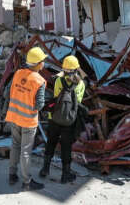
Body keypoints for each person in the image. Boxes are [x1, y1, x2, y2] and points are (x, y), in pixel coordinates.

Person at [4, 47, 47, 191]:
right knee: (26, 151)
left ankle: (12, 175)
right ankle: (27, 182)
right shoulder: (39, 81)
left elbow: (7, 93)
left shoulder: (17, 74)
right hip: (28, 121)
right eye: (43, 61)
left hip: (14, 117)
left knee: (15, 145)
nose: (44, 64)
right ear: (37, 64)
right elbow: (40, 105)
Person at [39, 55, 85, 184]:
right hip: (69, 120)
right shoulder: (81, 84)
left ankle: (45, 169)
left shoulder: (58, 80)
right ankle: (65, 175)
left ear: (64, 68)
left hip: (54, 118)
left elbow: (55, 97)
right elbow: (78, 102)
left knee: (51, 142)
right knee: (66, 147)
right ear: (76, 68)